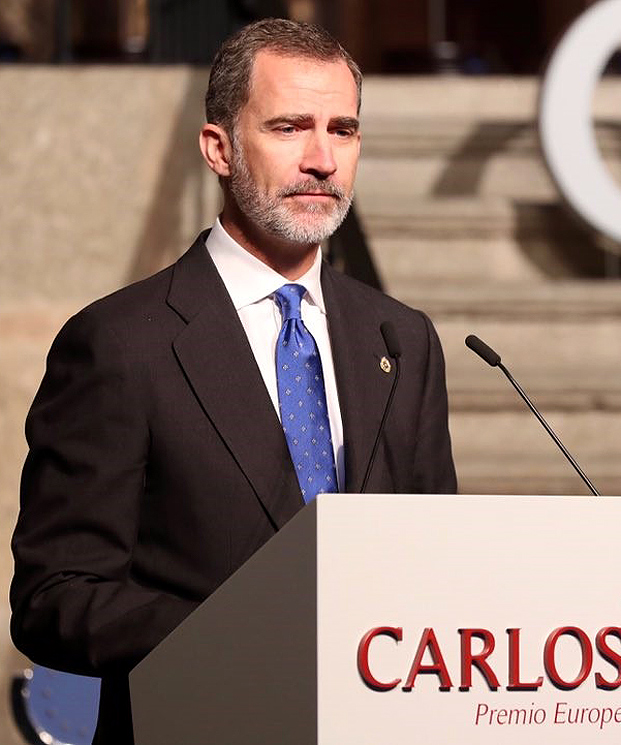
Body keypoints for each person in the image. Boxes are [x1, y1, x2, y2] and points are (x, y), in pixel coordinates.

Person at [10, 18, 457, 745]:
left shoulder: (400, 338)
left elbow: (438, 556)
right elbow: (54, 599)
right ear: (218, 148)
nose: (321, 159)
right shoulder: (123, 343)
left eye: (342, 129)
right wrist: (242, 632)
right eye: (289, 127)